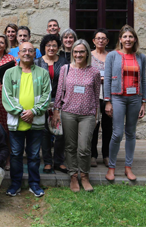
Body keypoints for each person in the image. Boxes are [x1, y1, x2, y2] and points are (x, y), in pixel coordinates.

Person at [2, 42, 51, 198]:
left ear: (34, 53)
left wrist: (34, 112)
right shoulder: (9, 73)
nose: (27, 53)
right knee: (15, 155)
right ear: (19, 53)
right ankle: (15, 184)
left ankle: (34, 184)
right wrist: (22, 112)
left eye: (31, 50)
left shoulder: (43, 73)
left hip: (35, 122)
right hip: (16, 122)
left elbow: (47, 95)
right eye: (24, 50)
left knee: (34, 155)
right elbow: (7, 96)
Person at [54, 40, 100, 192]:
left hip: (87, 115)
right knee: (70, 146)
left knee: (84, 147)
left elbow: (96, 95)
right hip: (68, 113)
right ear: (72, 53)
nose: (78, 54)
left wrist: (96, 115)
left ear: (87, 52)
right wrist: (56, 111)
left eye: (81, 51)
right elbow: (60, 92)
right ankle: (73, 176)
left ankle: (85, 176)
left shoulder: (94, 72)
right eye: (76, 51)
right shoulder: (65, 69)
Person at [104, 25, 146, 183]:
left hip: (135, 98)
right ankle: (112, 167)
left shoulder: (141, 57)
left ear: (134, 39)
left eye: (131, 37)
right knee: (117, 133)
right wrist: (107, 101)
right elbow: (107, 79)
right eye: (125, 37)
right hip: (118, 97)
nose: (128, 39)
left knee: (131, 133)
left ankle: (128, 167)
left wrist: (144, 102)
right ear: (120, 39)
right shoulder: (112, 56)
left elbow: (143, 80)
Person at [35, 34, 68, 174]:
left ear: (58, 47)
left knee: (60, 133)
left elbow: (66, 84)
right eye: (48, 45)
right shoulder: (37, 62)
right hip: (42, 101)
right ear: (44, 47)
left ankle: (59, 161)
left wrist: (59, 104)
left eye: (54, 45)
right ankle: (48, 162)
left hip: (59, 100)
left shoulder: (64, 62)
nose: (51, 48)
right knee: (44, 133)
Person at [90, 28, 112, 168]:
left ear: (107, 41)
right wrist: (100, 78)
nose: (100, 40)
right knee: (93, 126)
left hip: (109, 95)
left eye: (103, 38)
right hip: (93, 95)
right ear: (93, 41)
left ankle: (106, 155)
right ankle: (93, 155)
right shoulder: (89, 56)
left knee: (108, 126)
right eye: (98, 38)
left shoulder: (111, 56)